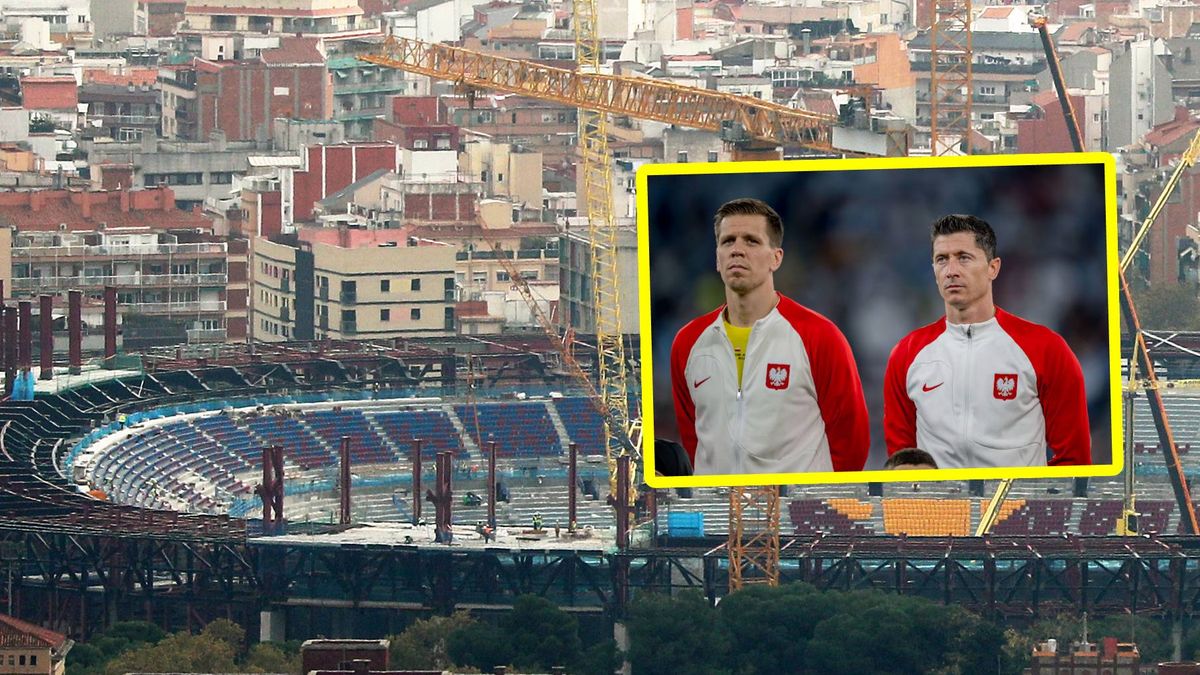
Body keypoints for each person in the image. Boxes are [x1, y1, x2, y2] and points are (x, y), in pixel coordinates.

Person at [670, 197, 870, 475]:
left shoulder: (819, 336)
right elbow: (696, 441)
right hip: (723, 511)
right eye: (728, 241)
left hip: (794, 512)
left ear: (776, 258)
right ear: (717, 258)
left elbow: (852, 444)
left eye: (751, 241)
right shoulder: (688, 342)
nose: (737, 250)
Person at [883, 214, 1091, 469]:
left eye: (963, 257)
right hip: (940, 508)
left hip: (1014, 506)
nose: (951, 271)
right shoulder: (907, 354)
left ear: (993, 267)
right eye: (941, 260)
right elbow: (901, 462)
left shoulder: (1045, 349)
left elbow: (1075, 461)